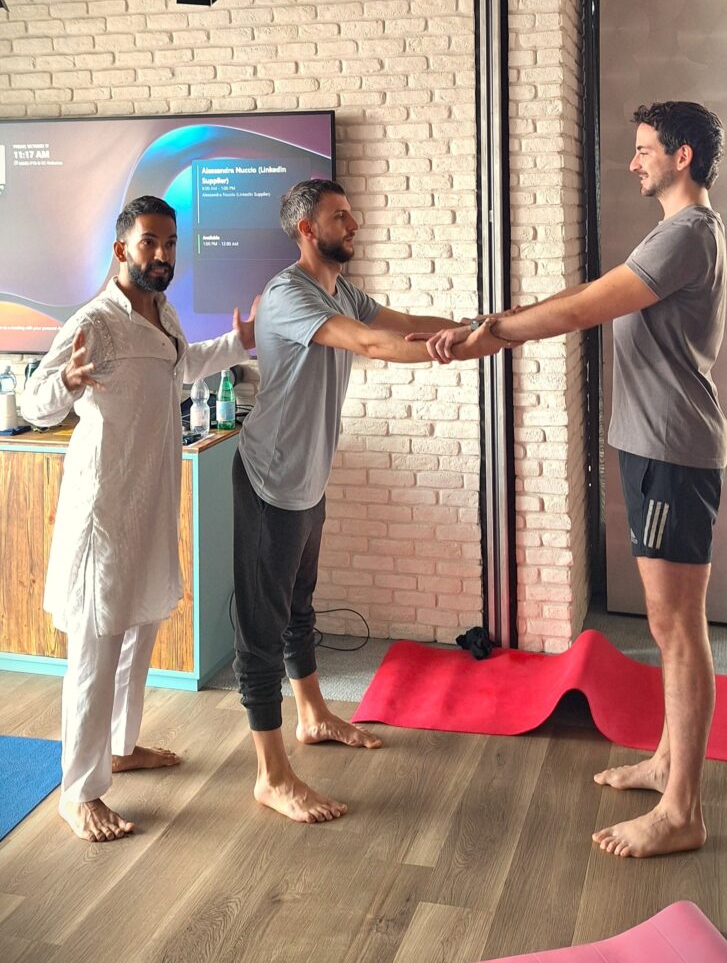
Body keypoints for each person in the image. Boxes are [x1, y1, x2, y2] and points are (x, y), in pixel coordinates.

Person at [413, 101, 727, 860]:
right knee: (668, 625)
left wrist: (491, 335)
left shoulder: (687, 232)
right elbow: (590, 295)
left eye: (645, 149)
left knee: (677, 626)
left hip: (672, 451)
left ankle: (683, 810)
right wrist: (496, 321)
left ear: (683, 155)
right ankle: (667, 764)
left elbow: (585, 308)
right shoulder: (676, 231)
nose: (634, 161)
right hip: (656, 445)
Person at [21, 195, 257, 843]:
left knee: (139, 630)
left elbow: (183, 367)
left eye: (170, 243)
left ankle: (121, 748)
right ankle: (78, 792)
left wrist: (239, 342)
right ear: (121, 248)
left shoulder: (162, 312)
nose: (161, 254)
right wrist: (66, 382)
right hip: (102, 512)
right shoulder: (94, 322)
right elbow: (35, 404)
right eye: (150, 241)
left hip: (150, 504)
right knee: (95, 647)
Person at [233, 178, 460, 823]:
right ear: (307, 229)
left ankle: (312, 715)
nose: (353, 224)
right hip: (270, 479)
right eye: (340, 216)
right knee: (261, 626)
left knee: (300, 603)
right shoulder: (289, 294)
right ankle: (271, 776)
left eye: (351, 214)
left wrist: (477, 328)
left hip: (308, 477)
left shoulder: (342, 290)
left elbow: (404, 325)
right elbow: (369, 343)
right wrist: (459, 348)